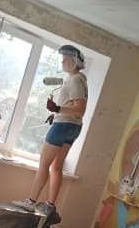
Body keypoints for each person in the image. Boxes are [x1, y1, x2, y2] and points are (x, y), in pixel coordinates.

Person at [13, 45, 88, 215]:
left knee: (44, 164)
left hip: (63, 126)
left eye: (65, 59)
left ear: (74, 61)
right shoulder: (81, 79)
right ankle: (50, 205)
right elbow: (74, 108)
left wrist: (58, 109)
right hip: (73, 127)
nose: (62, 62)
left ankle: (30, 202)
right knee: (56, 167)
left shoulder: (75, 79)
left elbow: (80, 109)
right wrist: (57, 113)